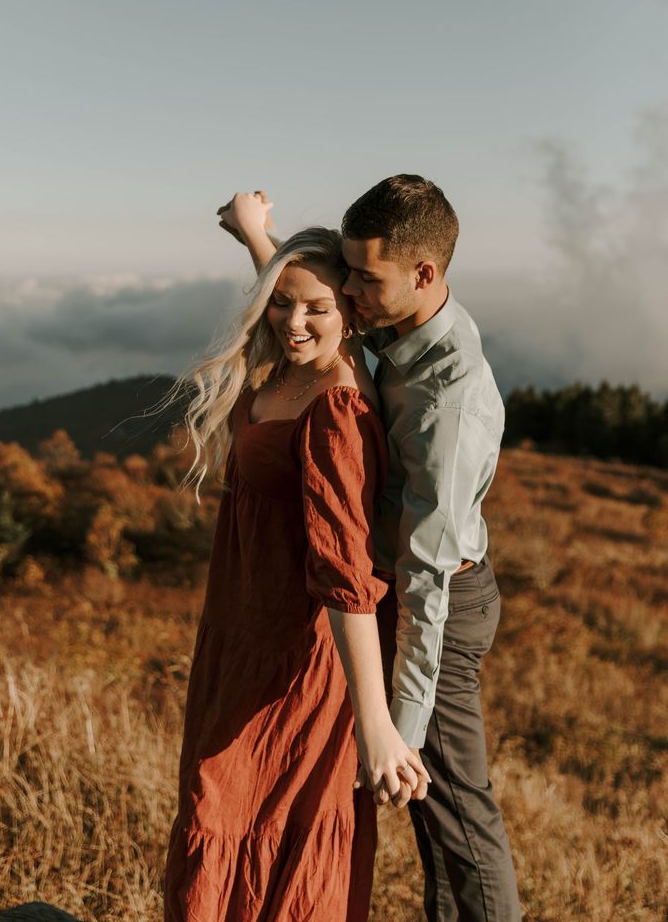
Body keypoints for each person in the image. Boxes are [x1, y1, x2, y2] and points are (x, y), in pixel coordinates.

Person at [218, 178, 522, 922]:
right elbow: (318, 319)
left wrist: (395, 730)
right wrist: (261, 240)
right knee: (433, 822)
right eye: (346, 271)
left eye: (364, 276)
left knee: (454, 819)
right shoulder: (407, 319)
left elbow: (427, 579)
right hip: (400, 587)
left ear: (424, 273)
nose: (350, 289)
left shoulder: (450, 400)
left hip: (439, 606)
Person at [163, 226, 430, 922]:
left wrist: (375, 724)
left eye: (315, 306)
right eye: (279, 304)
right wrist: (256, 233)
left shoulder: (335, 407)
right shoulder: (287, 371)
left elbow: (346, 576)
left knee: (236, 812)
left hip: (296, 658)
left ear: (351, 309)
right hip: (239, 636)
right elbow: (295, 283)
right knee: (223, 807)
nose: (293, 321)